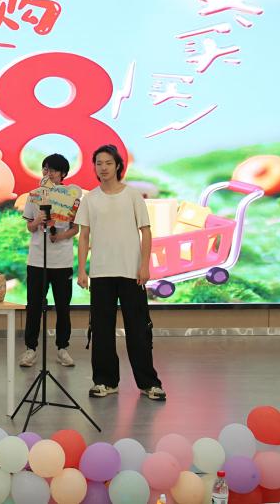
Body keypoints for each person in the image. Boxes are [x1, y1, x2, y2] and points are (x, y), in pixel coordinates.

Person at [75, 144, 166, 401]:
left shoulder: (133, 195)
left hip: (131, 273)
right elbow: (84, 236)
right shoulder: (90, 199)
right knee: (101, 330)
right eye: (98, 163)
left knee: (138, 330)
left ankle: (149, 383)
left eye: (108, 163)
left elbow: (146, 231)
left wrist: (145, 265)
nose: (103, 168)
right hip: (101, 273)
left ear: (118, 166)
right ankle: (105, 381)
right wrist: (82, 270)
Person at [20, 153, 79, 368]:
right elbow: (29, 227)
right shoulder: (34, 195)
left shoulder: (71, 197)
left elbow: (75, 228)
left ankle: (62, 348)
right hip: (37, 260)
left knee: (63, 307)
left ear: (63, 174)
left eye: (53, 170)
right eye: (45, 169)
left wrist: (60, 236)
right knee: (34, 306)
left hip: (62, 261)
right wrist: (38, 220)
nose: (48, 173)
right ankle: (31, 349)